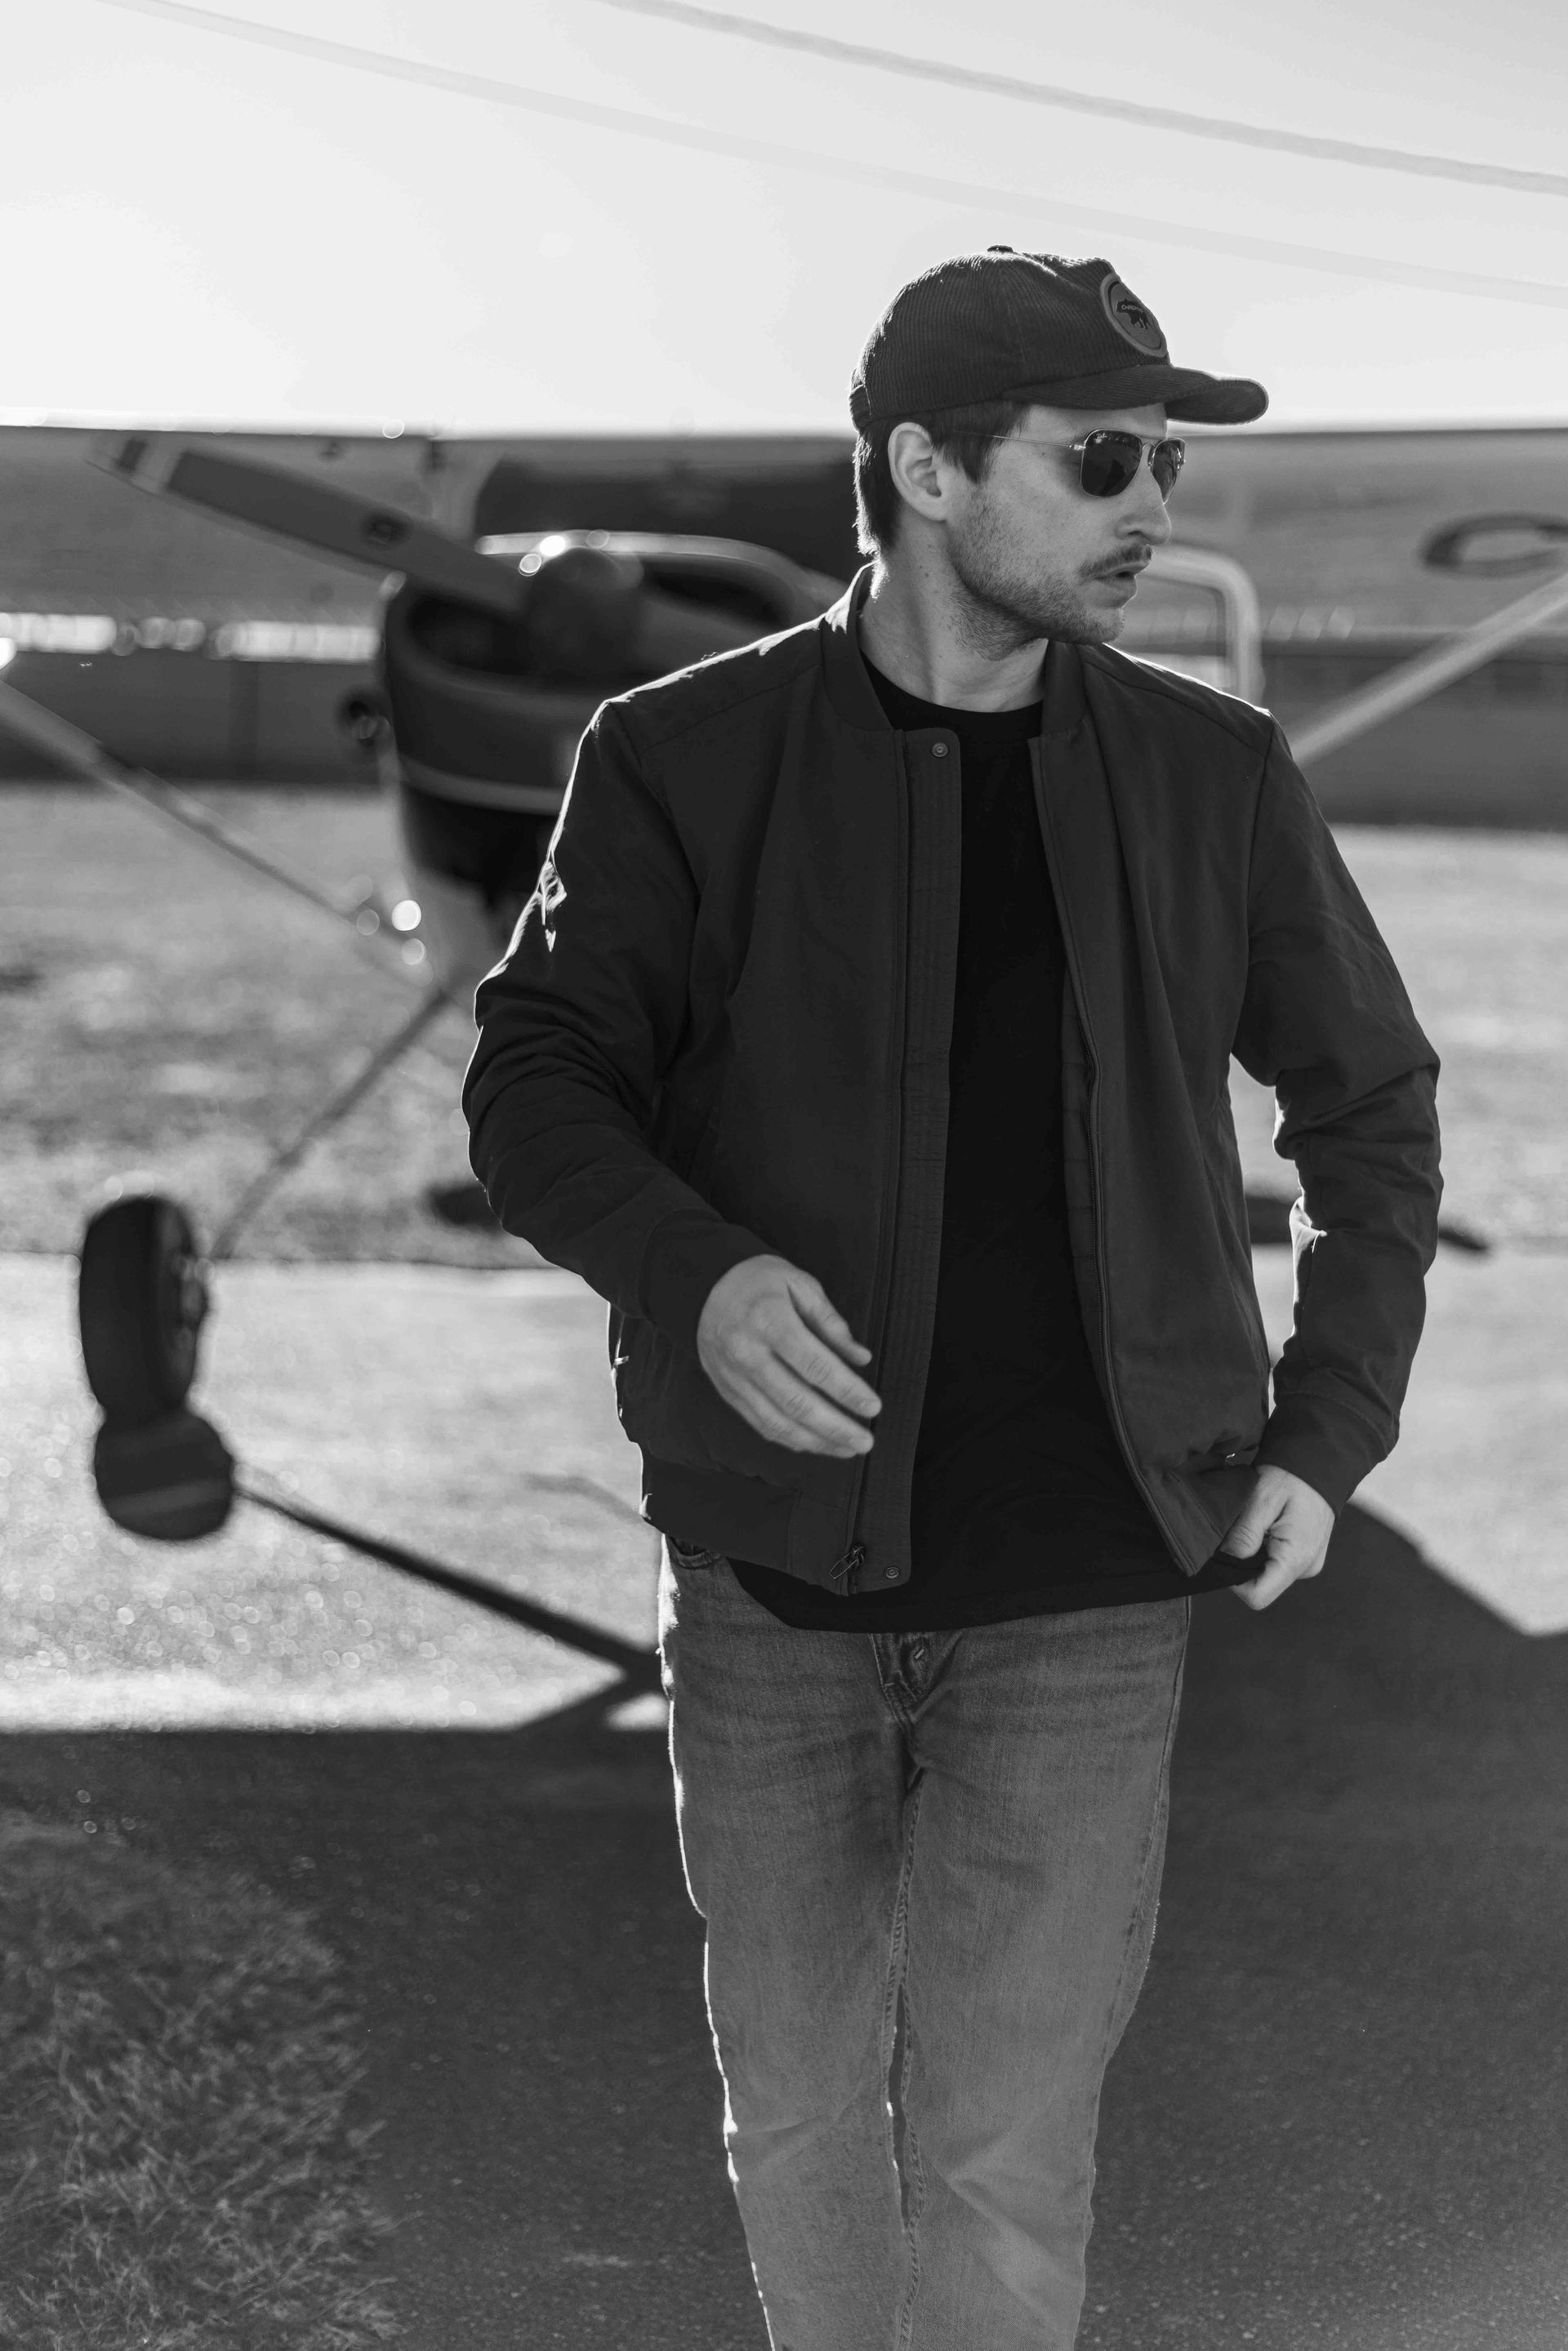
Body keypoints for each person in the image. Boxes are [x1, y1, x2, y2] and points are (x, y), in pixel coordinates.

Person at [464, 247, 1441, 2349]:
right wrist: (692, 1270)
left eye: (1163, 460)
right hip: (769, 1588)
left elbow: (1371, 1107)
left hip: (1089, 1598)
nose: (1150, 505)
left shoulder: (1216, 772)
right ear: (921, 467)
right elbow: (535, 1082)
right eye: (1101, 458)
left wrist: (1329, 1421)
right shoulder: (676, 758)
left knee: (1006, 2158)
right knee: (799, 2121)